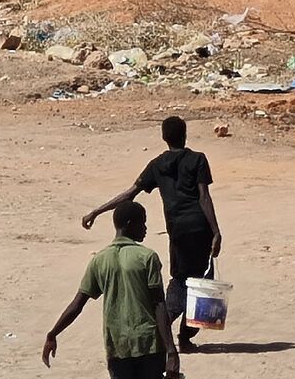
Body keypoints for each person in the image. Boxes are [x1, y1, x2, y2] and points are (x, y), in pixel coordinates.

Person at [42, 201, 180, 379]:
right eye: (142, 223)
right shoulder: (147, 257)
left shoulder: (100, 260)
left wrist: (53, 332)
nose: (145, 228)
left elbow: (78, 303)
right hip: (149, 345)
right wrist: (171, 350)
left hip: (117, 345)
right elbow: (159, 305)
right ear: (129, 224)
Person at [82, 117, 222, 353]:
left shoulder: (157, 165)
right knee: (202, 284)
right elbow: (204, 198)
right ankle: (179, 335)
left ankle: (167, 330)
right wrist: (216, 231)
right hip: (201, 228)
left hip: (178, 231)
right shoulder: (197, 159)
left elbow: (130, 194)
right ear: (185, 135)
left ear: (164, 138)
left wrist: (97, 211)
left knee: (180, 280)